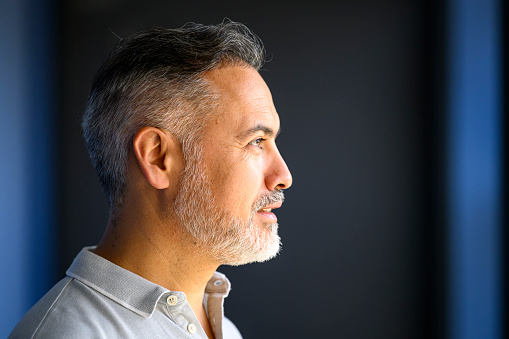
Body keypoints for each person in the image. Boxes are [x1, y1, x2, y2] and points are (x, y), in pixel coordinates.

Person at [9, 20, 292, 339]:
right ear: (158, 158)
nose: (283, 176)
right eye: (256, 141)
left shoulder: (223, 329)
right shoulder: (69, 334)